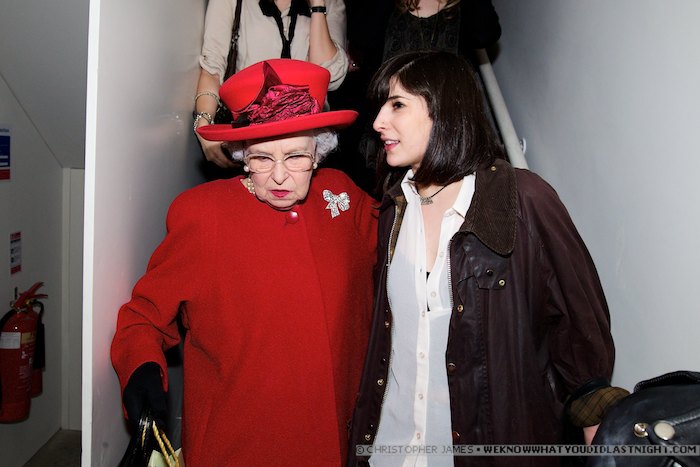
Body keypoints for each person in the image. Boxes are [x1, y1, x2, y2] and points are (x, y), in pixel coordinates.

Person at [347, 50, 629, 467]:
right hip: (391, 447)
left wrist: (593, 411)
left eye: (398, 105)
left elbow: (578, 318)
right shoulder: (393, 206)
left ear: (444, 110)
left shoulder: (523, 200)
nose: (378, 122)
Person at [112, 58, 378, 466]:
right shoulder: (203, 215)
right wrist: (141, 368)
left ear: (319, 152)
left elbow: (406, 245)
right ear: (242, 155)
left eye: (296, 156)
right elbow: (142, 317)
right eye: (262, 158)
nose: (279, 176)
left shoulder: (341, 198)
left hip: (331, 442)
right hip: (236, 441)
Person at [194, 0, 349, 169]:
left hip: (306, 141)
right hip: (251, 138)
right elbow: (212, 71)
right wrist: (204, 123)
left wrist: (318, 7)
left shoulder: (330, 3)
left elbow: (331, 76)